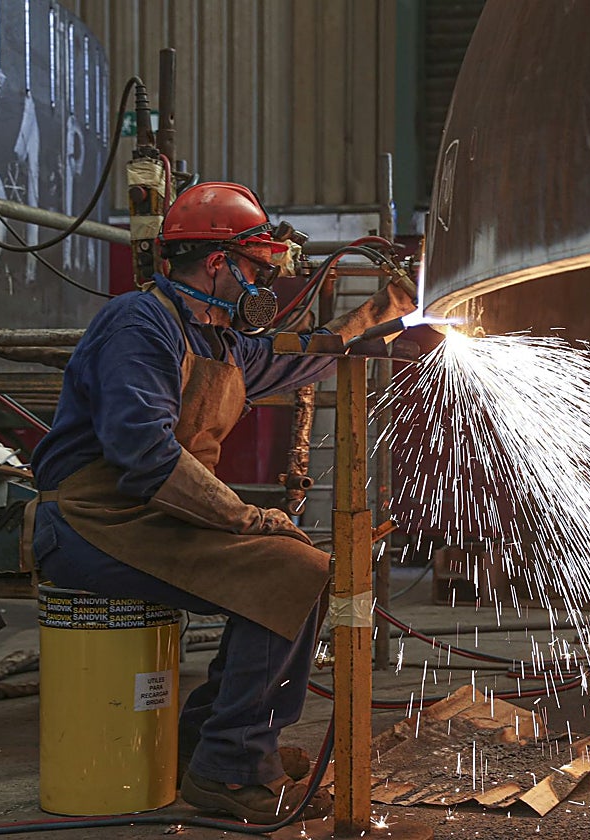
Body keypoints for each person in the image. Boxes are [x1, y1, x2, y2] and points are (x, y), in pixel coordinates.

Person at [27, 181, 415, 822]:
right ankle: (232, 773)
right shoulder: (140, 325)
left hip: (154, 515)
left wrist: (389, 308)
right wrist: (245, 518)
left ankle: (206, 750)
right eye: (257, 269)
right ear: (217, 263)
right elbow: (145, 458)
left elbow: (307, 358)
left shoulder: (219, 339)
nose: (264, 283)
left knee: (295, 571)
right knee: (293, 570)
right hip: (91, 522)